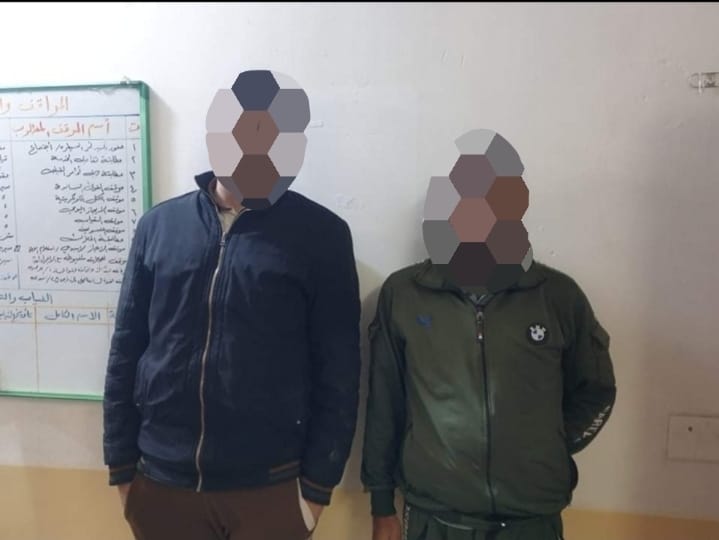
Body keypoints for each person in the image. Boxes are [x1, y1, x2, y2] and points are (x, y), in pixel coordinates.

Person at [103, 69, 362, 540]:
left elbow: (339, 371)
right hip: (161, 483)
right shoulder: (159, 227)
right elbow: (126, 348)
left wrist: (315, 492)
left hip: (271, 489)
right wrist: (122, 470)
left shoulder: (322, 236)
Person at [361, 129, 616, 540]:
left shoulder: (557, 297)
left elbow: (596, 390)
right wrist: (380, 501)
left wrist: (546, 444)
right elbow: (384, 402)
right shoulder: (405, 295)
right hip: (435, 518)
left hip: (532, 520)